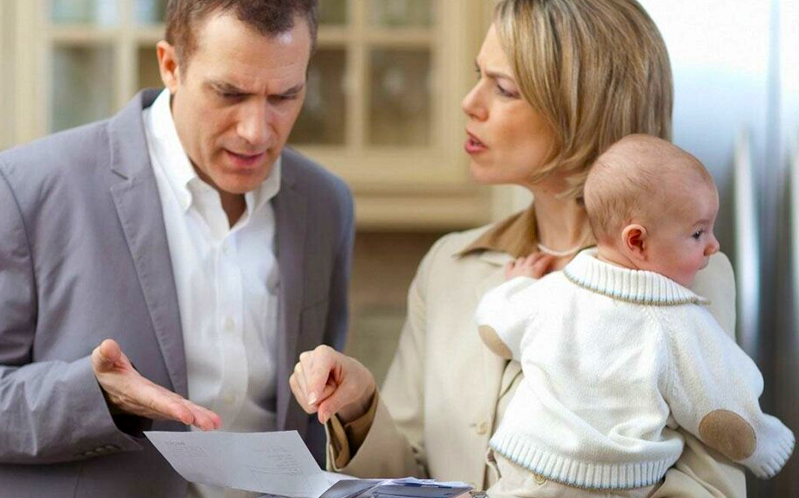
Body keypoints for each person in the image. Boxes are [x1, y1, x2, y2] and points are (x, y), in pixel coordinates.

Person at [289, 0, 749, 495]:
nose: (470, 102)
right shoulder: (448, 267)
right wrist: (359, 407)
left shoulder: (685, 274)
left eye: (504, 88)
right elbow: (407, 478)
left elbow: (712, 487)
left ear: (581, 112)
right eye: (478, 76)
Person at [0, 1, 354, 497]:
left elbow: (314, 420)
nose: (256, 130)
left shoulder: (326, 204)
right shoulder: (27, 187)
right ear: (170, 65)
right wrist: (95, 398)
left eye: (284, 96)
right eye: (229, 93)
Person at [476, 135, 794, 498]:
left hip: (522, 468)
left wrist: (516, 285)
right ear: (637, 242)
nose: (713, 245)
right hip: (609, 485)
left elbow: (494, 329)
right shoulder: (678, 320)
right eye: (698, 232)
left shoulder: (554, 291)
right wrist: (769, 446)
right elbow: (726, 413)